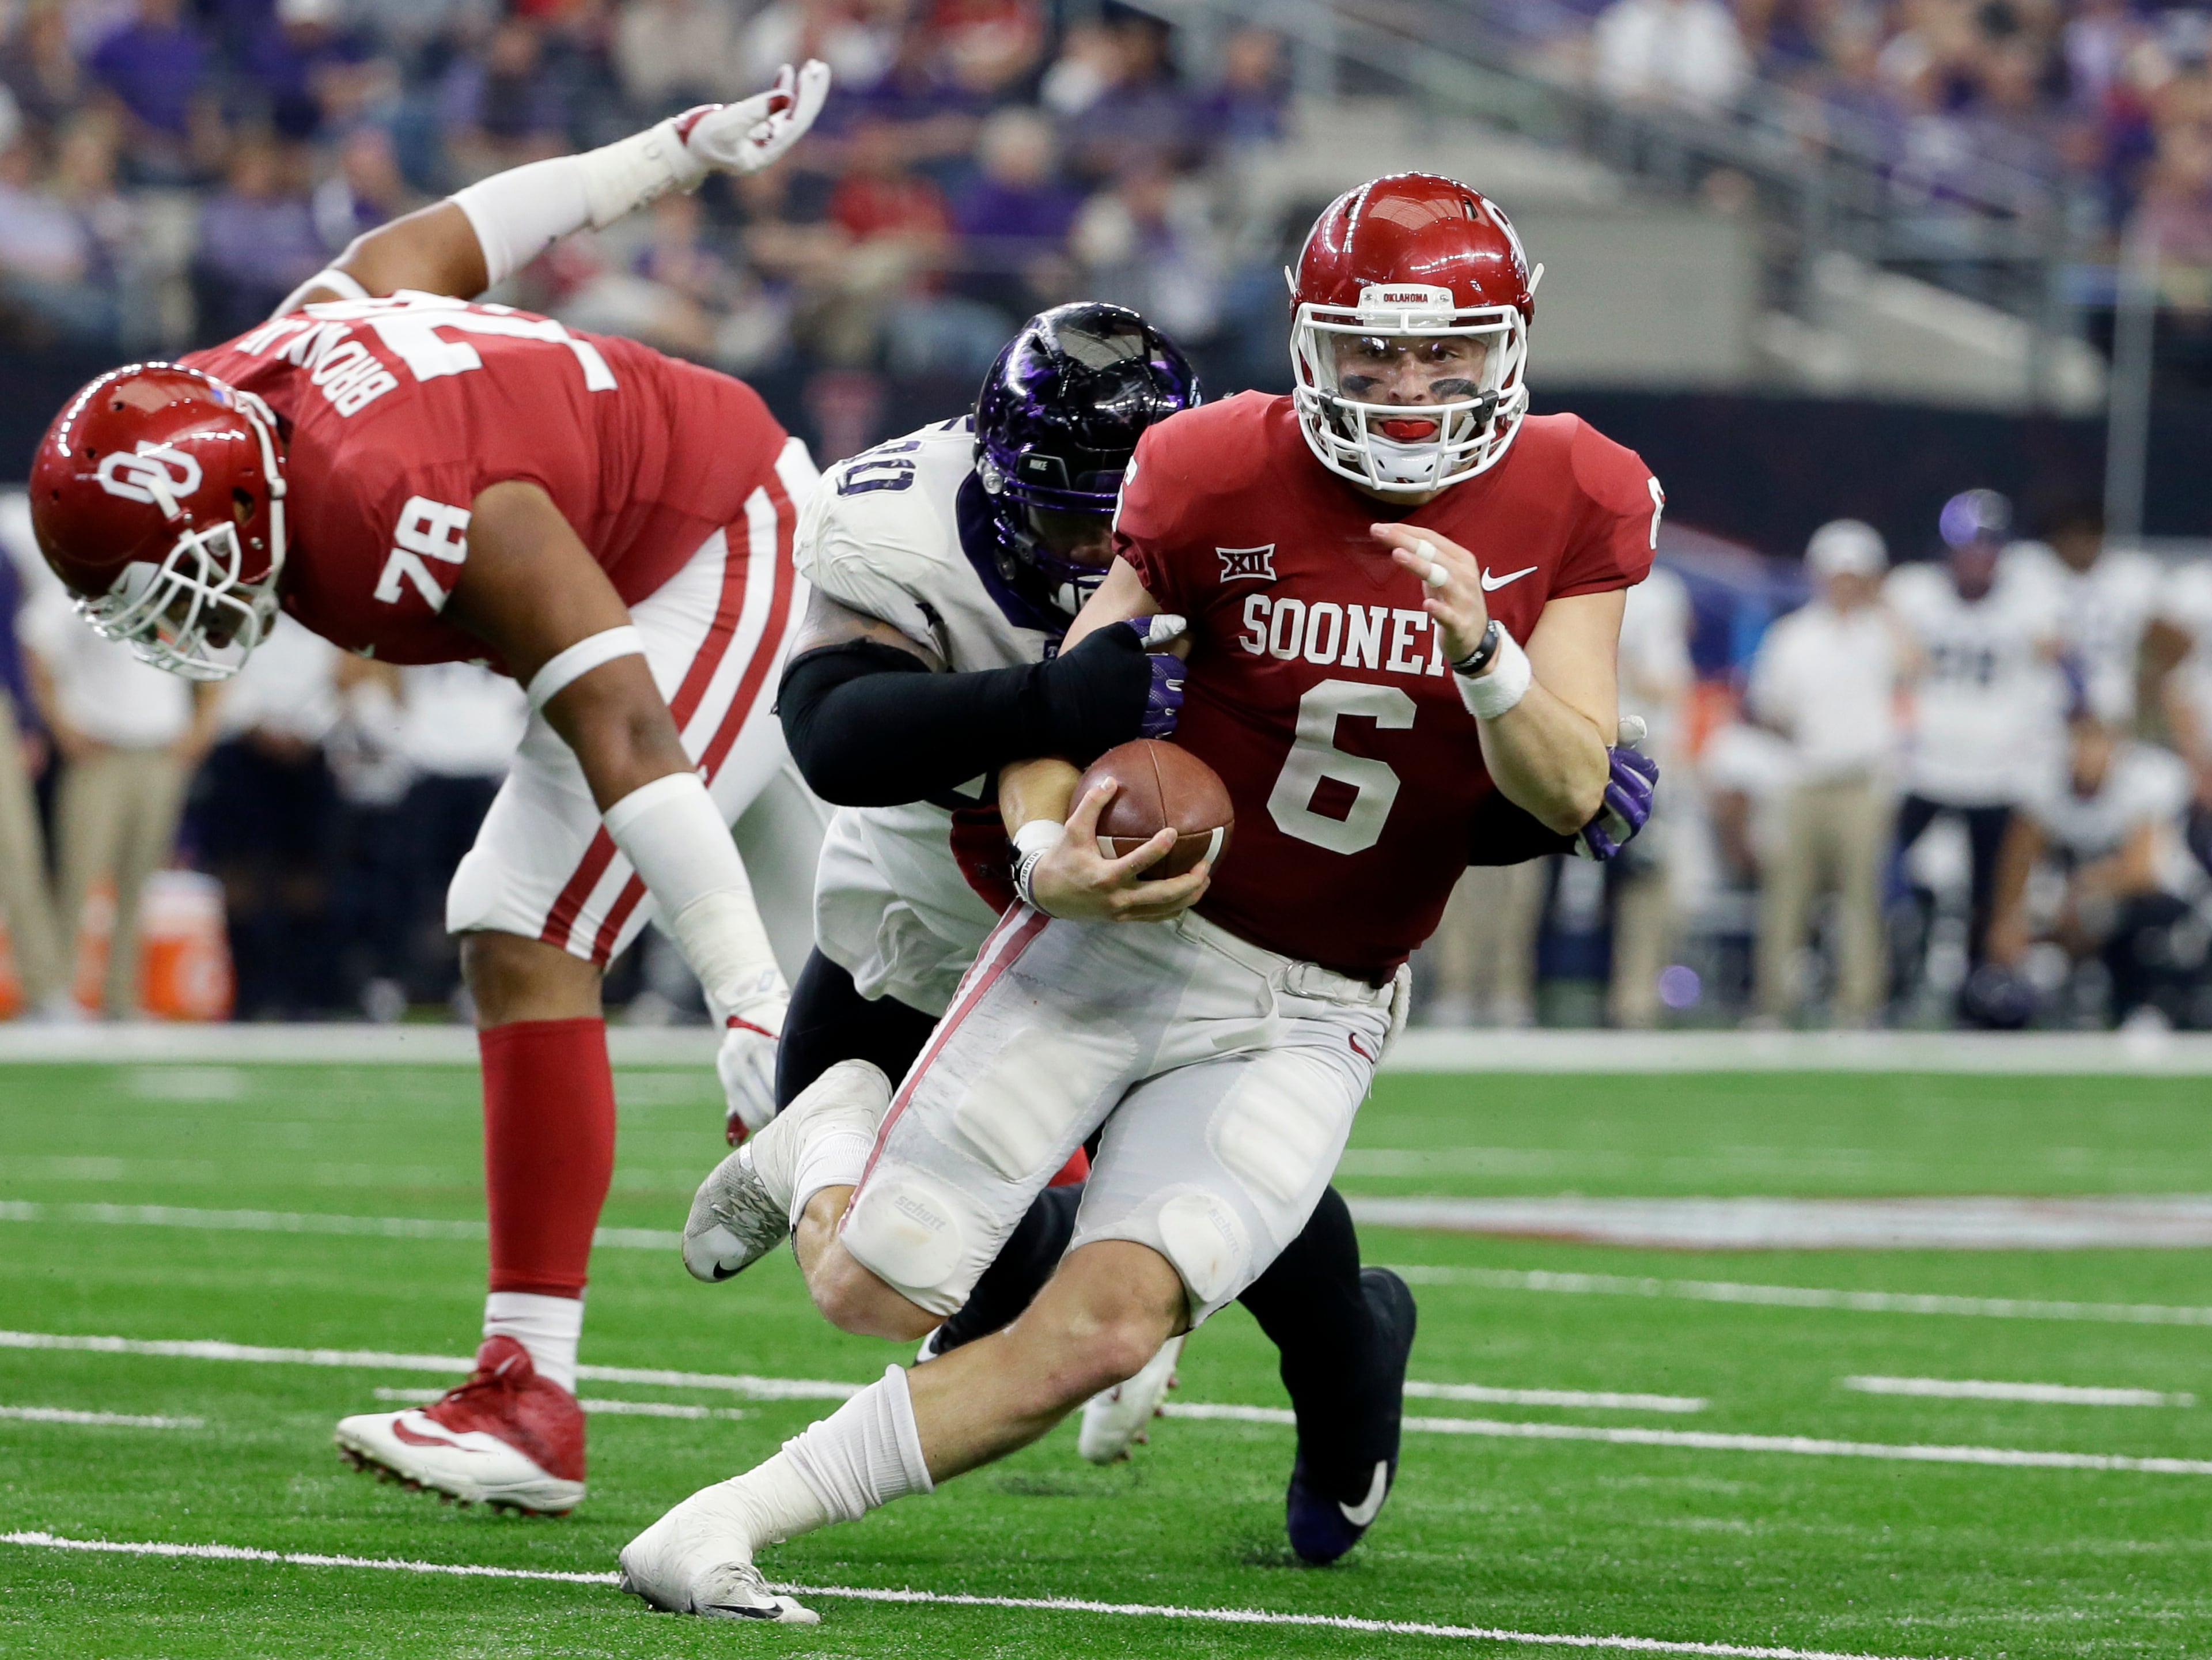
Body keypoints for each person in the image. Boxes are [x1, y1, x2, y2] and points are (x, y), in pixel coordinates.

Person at [619, 171, 1662, 1623]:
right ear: (1306, 339)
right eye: (1369, 348)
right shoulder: (1207, 465)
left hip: (1313, 999)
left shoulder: (1581, 485)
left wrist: (1490, 663)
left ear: (1510, 340)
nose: (1406, 384)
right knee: (872, 1289)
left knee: (1108, 1326)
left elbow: (1562, 792)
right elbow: (1076, 715)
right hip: (1122, 927)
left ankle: (721, 1521)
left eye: (1443, 350)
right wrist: (1054, 859)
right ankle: (833, 1129)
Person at [26, 63, 835, 1515]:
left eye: (162, 584)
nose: (164, 625)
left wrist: (737, 993)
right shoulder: (264, 368)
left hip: (713, 540)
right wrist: (673, 150)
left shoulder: (389, 492)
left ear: (230, 508)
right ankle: (1053, 1221)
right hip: (660, 515)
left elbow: (623, 726)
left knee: (525, 922)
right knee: (870, 958)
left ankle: (530, 1398)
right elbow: (456, 231)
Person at [746, 299, 1423, 1549]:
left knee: (1240, 1201)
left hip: (1137, 926)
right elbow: (834, 735)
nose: (1089, 546)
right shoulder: (900, 516)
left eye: (1115, 516)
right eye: (1063, 510)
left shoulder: (1245, 509)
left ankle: (1354, 1362)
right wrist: (1049, 697)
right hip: (923, 910)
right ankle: (1082, 1259)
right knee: (924, 1272)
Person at [1885, 490, 2062, 999]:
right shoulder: (1914, 594)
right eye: (1968, 546)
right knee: (1891, 882)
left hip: (1996, 772)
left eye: (1988, 546)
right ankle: (1893, 982)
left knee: (1990, 895)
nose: (1977, 557)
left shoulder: (2031, 599)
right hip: (1923, 767)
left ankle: (1980, 992)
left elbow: (2055, 664)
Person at [19, 578, 218, 1017]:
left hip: (161, 753)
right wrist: (61, 724)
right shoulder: (86, 577)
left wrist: (202, 727)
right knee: (79, 875)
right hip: (100, 752)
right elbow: (35, 641)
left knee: (139, 882)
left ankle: (121, 996)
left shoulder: (178, 580)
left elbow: (219, 654)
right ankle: (56, 995)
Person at [1747, 519, 1912, 1027]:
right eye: (1838, 574)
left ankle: (1858, 1005)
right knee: (1787, 897)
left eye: (1856, 575)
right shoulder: (1793, 635)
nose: (1845, 584)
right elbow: (1766, 705)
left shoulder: (1885, 633)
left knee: (1862, 901)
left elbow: (1917, 670)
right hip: (1802, 779)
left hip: (1862, 782)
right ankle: (1773, 1003)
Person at [1987, 712, 2200, 1029]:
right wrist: (2008, 918)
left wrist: (2077, 896)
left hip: (2152, 899)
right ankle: (2048, 1005)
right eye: (2082, 740)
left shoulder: (2145, 781)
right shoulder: (2044, 782)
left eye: (2099, 741)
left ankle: (2142, 1006)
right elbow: (2019, 860)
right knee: (2026, 935)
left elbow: (2140, 872)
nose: (2089, 753)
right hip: (2073, 895)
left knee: (2122, 919)